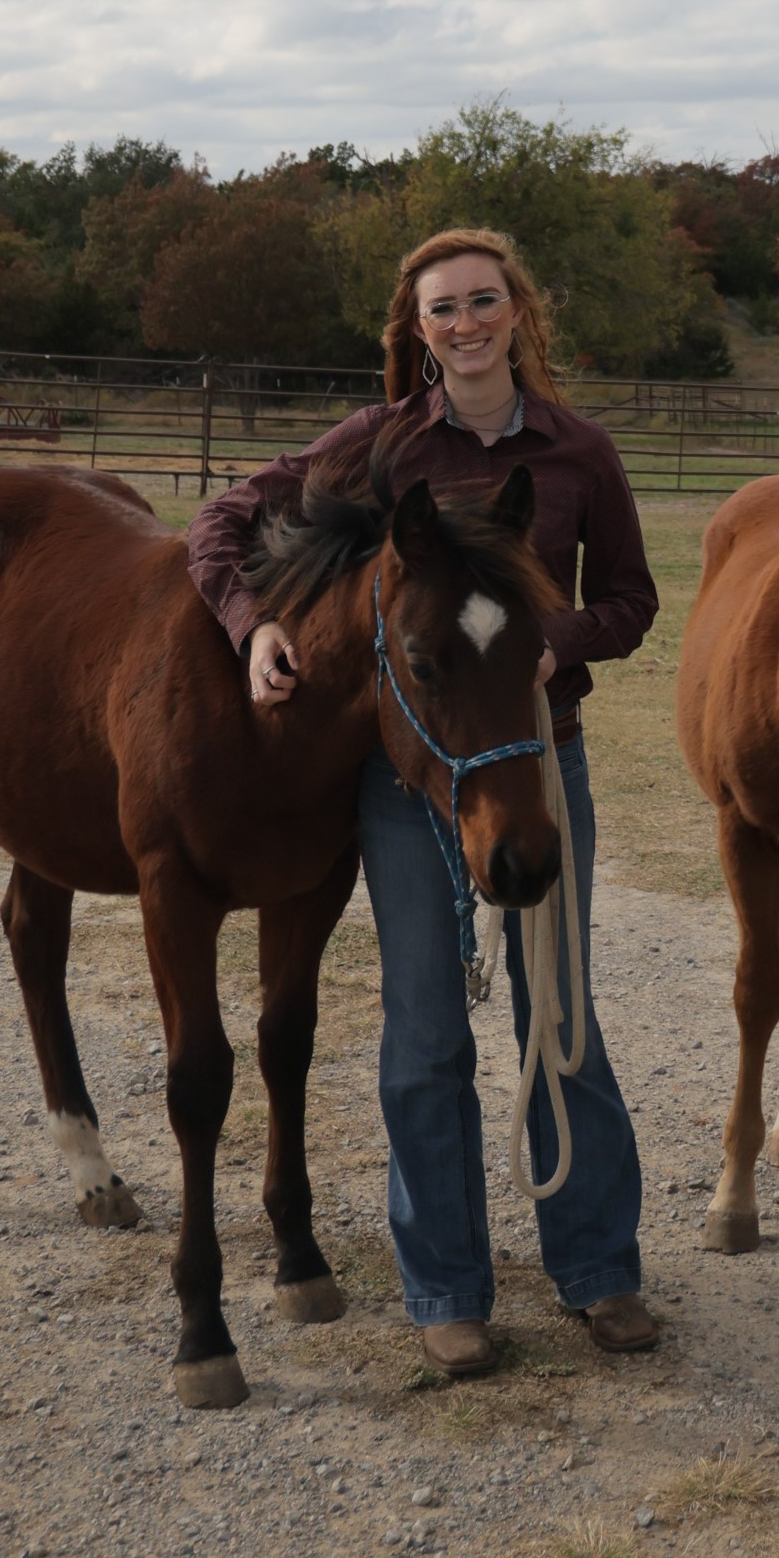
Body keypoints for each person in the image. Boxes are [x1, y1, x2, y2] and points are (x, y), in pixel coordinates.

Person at [185, 227, 662, 1369]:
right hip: (409, 785)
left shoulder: (579, 453)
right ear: (417, 331)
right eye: (442, 309)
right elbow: (220, 523)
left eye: (483, 301)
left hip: (541, 765)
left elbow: (635, 601)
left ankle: (598, 1271)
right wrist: (252, 633)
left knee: (560, 1021)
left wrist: (559, 642)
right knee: (424, 1037)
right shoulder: (375, 444)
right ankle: (447, 1289)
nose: (465, 324)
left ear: (518, 311)